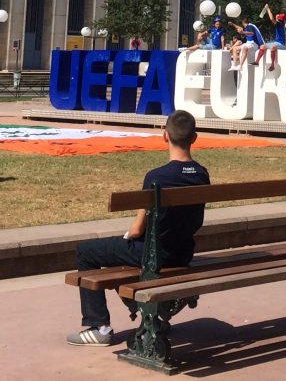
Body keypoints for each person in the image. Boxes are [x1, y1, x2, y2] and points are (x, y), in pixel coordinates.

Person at [67, 110, 210, 346]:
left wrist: (128, 235)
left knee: (85, 252)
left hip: (154, 256)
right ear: (194, 138)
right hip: (182, 253)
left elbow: (136, 230)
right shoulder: (202, 174)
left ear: (165, 135)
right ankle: (154, 314)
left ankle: (99, 326)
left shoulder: (157, 177)